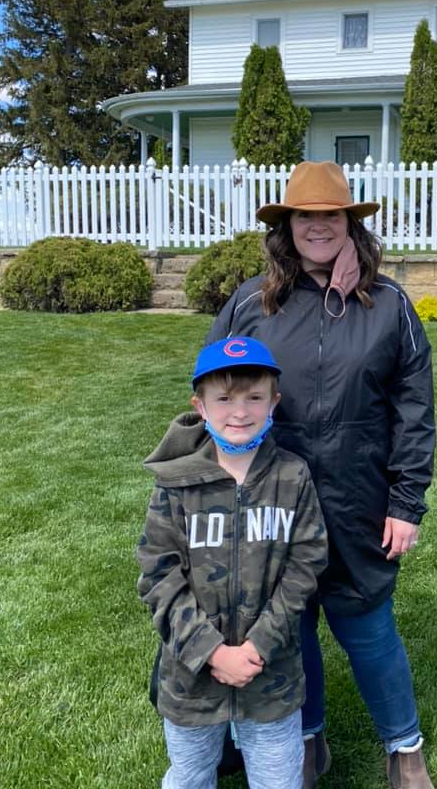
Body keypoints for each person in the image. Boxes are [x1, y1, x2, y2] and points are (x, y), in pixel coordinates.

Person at [206, 161, 437, 789]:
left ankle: (404, 748)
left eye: (329, 216)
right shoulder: (252, 302)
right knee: (291, 622)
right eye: (304, 216)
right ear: (287, 227)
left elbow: (415, 408)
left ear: (349, 224)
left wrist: (406, 501)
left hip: (360, 495)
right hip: (272, 495)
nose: (317, 227)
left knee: (367, 623)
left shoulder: (388, 304)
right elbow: (218, 397)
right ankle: (308, 740)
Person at [137, 335, 328, 789]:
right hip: (191, 679)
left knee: (279, 780)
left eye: (254, 397)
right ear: (200, 406)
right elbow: (158, 575)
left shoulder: (292, 476)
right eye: (223, 398)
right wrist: (213, 653)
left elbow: (307, 562)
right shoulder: (176, 484)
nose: (239, 412)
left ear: (273, 402)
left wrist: (258, 646)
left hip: (271, 676)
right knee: (189, 776)